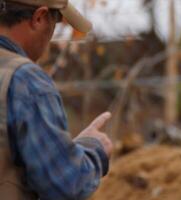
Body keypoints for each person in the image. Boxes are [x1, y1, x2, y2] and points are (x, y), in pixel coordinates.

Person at [0, 0, 113, 199]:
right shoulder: (25, 80)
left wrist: (62, 150)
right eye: (57, 21)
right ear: (39, 18)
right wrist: (93, 148)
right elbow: (66, 185)